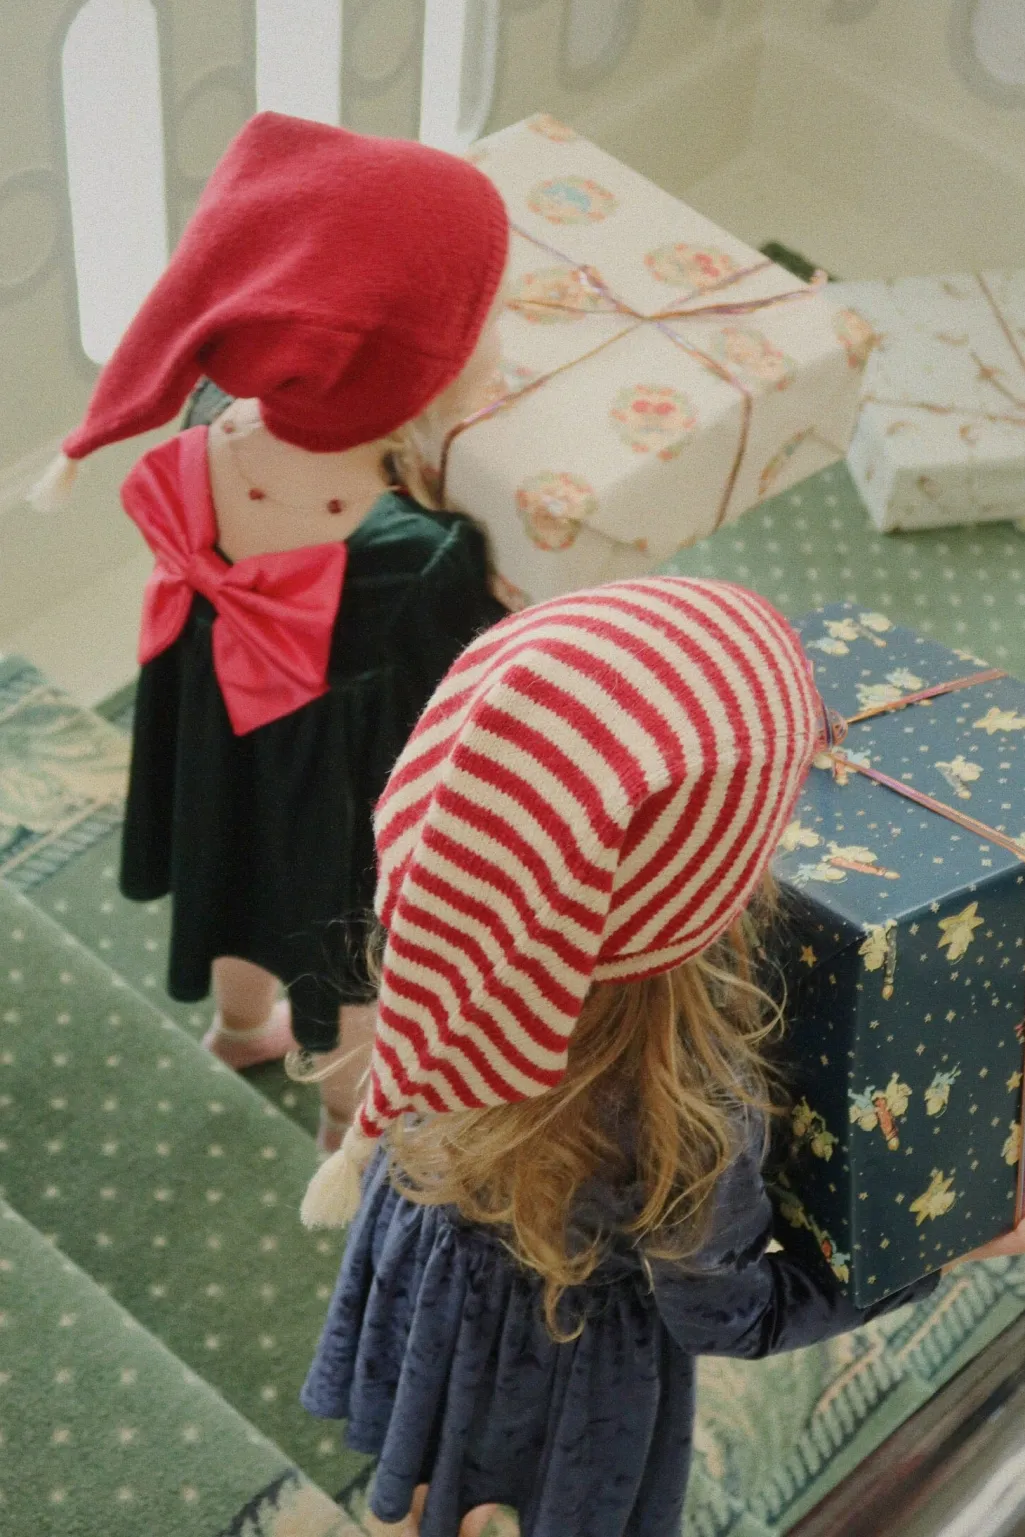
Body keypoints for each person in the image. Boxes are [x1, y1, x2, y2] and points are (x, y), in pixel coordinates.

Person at [298, 576, 1025, 1537]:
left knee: (439, 1444)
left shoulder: (460, 916)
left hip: (428, 1258)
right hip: (568, 1363)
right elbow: (728, 1315)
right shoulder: (695, 1108)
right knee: (510, 1476)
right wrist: (938, 1253)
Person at [36, 112, 510, 1147]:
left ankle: (240, 1030)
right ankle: (345, 1128)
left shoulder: (209, 415)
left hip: (216, 746)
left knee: (229, 881)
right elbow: (474, 683)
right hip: (338, 798)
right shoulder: (417, 550)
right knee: (347, 964)